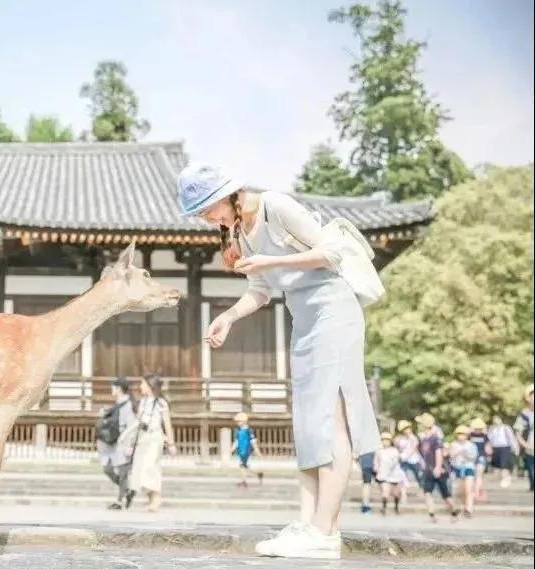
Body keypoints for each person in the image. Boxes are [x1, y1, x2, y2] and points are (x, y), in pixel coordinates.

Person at [180, 164, 379, 559]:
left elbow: (331, 251)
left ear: (230, 194)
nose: (207, 219)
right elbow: (259, 291)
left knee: (330, 420)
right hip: (303, 320)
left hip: (334, 311)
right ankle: (307, 524)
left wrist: (271, 263)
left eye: (207, 209)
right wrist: (228, 317)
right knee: (307, 422)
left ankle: (325, 532)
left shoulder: (275, 205)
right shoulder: (240, 234)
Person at [128, 374, 177, 513]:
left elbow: (167, 424)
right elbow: (137, 422)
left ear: (150, 386)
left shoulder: (161, 403)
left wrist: (171, 443)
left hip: (155, 437)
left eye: (143, 384)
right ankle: (151, 498)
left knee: (150, 466)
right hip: (142, 437)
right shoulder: (142, 402)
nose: (140, 386)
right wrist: (131, 442)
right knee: (140, 469)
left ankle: (156, 498)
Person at [96, 377, 137, 510]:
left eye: (113, 387)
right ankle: (128, 491)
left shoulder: (128, 404)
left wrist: (129, 443)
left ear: (119, 389)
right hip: (113, 441)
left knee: (123, 471)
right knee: (107, 469)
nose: (112, 389)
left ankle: (119, 501)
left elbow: (131, 424)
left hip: (123, 441)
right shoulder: (118, 403)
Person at [417, 413, 458, 523]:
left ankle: (454, 512)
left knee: (445, 495)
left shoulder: (435, 438)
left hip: (439, 470)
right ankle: (432, 515)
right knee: (427, 492)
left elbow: (438, 453)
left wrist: (438, 467)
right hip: (428, 470)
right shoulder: (423, 438)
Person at [449, 425, 478, 517]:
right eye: (459, 434)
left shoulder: (471, 445)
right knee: (461, 489)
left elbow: (473, 457)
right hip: (457, 468)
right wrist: (458, 452)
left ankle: (469, 508)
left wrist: (465, 453)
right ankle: (463, 505)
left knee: (469, 488)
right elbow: (451, 455)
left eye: (464, 434)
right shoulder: (454, 444)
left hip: (468, 468)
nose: (461, 436)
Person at [230, 412, 264, 488]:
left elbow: (253, 441)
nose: (237, 423)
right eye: (237, 421)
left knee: (242, 466)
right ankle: (257, 474)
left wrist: (257, 451)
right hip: (240, 450)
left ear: (244, 421)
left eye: (239, 421)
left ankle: (244, 481)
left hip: (246, 450)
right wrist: (232, 449)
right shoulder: (238, 431)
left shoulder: (248, 430)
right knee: (244, 466)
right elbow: (237, 441)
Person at [374, 432, 404, 515]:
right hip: (383, 475)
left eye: (387, 440)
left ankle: (396, 506)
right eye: (383, 440)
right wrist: (376, 469)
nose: (385, 442)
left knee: (396, 493)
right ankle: (384, 508)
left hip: (394, 475)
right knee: (385, 491)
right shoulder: (379, 450)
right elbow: (376, 461)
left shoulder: (395, 451)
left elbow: (396, 462)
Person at [513, 384, 535, 492]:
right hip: (530, 447)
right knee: (531, 469)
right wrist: (524, 444)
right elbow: (518, 431)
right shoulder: (524, 414)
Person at [488, 415, 518, 488]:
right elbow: (489, 438)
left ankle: (506, 479)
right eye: (494, 419)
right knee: (497, 466)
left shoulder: (506, 428)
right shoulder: (492, 428)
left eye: (497, 419)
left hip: (505, 447)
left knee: (504, 465)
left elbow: (511, 438)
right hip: (495, 448)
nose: (495, 420)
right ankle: (504, 479)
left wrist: (515, 448)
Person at [394, 419, 423, 491]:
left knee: (419, 476)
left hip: (414, 460)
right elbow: (397, 448)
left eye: (407, 428)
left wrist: (405, 456)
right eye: (404, 429)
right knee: (402, 476)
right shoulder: (399, 438)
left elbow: (414, 448)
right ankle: (403, 493)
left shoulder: (413, 437)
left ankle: (423, 492)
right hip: (403, 460)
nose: (407, 430)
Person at [468, 417, 491, 501]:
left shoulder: (469, 436)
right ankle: (476, 492)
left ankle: (474, 492)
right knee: (478, 476)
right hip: (480, 458)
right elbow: (488, 449)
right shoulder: (485, 436)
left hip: (472, 458)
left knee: (473, 476)